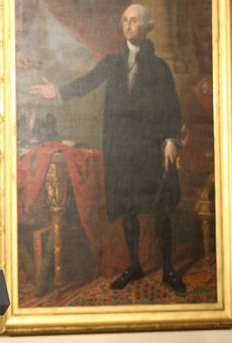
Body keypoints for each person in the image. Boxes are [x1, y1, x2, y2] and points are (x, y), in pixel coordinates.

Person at [30, 4, 185, 293]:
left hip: (150, 149)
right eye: (125, 20)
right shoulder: (112, 62)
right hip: (121, 149)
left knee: (160, 210)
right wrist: (58, 92)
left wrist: (171, 140)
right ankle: (134, 266)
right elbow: (87, 82)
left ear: (146, 27)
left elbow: (171, 106)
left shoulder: (160, 67)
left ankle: (168, 269)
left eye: (135, 20)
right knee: (127, 209)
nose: (128, 25)